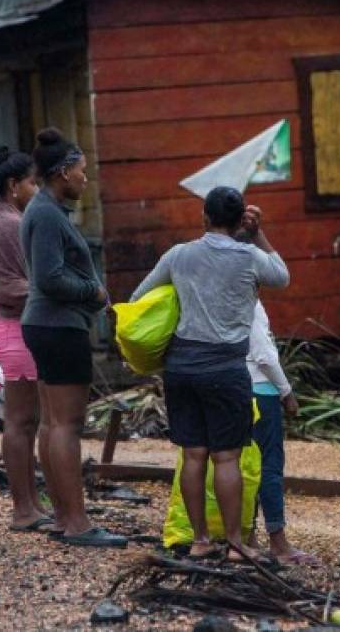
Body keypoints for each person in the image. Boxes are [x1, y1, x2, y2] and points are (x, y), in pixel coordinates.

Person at [130, 186, 289, 562]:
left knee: (194, 454)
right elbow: (282, 276)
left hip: (181, 367)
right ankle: (235, 542)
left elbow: (139, 298)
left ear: (204, 218)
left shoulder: (179, 255)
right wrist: (258, 234)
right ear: (238, 222)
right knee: (227, 457)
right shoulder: (250, 257)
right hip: (226, 368)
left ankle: (200, 539)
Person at [21, 128, 126, 548]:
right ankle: (77, 522)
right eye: (82, 171)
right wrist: (94, 292)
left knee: (52, 423)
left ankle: (65, 516)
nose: (86, 178)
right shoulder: (46, 213)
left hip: (46, 323)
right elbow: (49, 276)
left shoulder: (44, 209)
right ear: (63, 172)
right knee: (67, 424)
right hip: (58, 324)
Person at [0, 146, 50, 532]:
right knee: (20, 420)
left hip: (18, 330)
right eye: (31, 182)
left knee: (29, 420)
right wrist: (47, 291)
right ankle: (23, 508)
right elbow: (0, 284)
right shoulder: (7, 223)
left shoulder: (8, 218)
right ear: (13, 185)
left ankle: (32, 503)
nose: (36, 189)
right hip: (14, 331)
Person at [247, 299, 319, 566]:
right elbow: (263, 355)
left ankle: (247, 536)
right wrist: (286, 391)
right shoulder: (250, 302)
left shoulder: (220, 296)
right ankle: (278, 542)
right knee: (269, 466)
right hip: (261, 390)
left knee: (242, 466)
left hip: (233, 385)